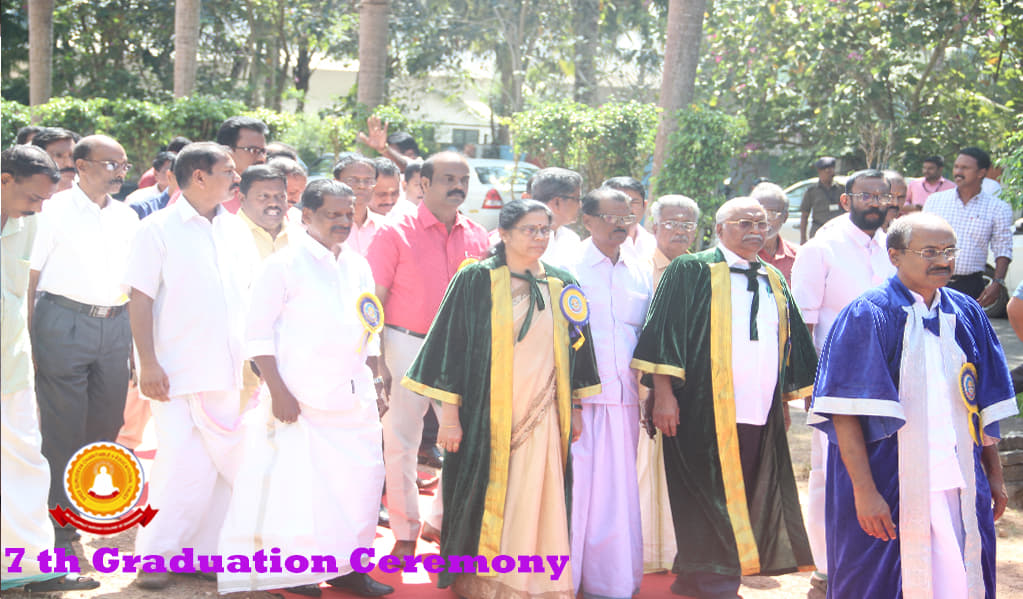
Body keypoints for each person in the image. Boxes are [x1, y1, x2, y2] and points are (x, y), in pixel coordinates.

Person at [807, 212, 1016, 599]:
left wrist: (994, 474)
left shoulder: (966, 313)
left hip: (959, 481)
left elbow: (982, 405)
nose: (943, 260)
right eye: (929, 252)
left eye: (949, 251)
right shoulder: (868, 314)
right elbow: (845, 413)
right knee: (882, 581)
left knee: (959, 580)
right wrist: (865, 492)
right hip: (891, 480)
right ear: (895, 256)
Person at [402, 199, 600, 598]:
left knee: (539, 493)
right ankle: (483, 581)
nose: (539, 237)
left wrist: (576, 407)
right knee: (489, 494)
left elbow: (579, 348)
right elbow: (450, 349)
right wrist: (450, 419)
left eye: (545, 230)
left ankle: (537, 583)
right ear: (505, 233)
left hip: (545, 413)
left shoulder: (562, 282)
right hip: (484, 415)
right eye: (530, 229)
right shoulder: (476, 279)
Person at [632, 197, 818, 599]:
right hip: (700, 406)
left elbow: (789, 342)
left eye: (761, 223)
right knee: (706, 493)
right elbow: (664, 331)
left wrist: (783, 403)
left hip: (758, 408)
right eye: (744, 223)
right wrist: (663, 395)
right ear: (719, 229)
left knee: (743, 489)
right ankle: (718, 583)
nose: (755, 230)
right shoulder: (692, 269)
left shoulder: (772, 277)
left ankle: (695, 576)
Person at [218, 180, 392, 598]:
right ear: (307, 215)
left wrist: (377, 378)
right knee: (299, 490)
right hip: (300, 399)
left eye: (347, 214)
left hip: (354, 397)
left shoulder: (357, 264)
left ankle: (349, 568)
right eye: (332, 214)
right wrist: (279, 392)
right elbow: (256, 335)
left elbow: (369, 328)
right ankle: (296, 571)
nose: (342, 222)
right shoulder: (283, 265)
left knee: (360, 485)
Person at [126, 142, 260, 590]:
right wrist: (147, 363)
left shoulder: (234, 228)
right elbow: (139, 298)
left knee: (219, 468)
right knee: (178, 464)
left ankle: (205, 553)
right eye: (228, 170)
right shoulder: (157, 229)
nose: (237, 178)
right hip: (174, 371)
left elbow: (248, 295)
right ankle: (154, 556)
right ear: (199, 177)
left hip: (228, 369)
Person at [367, 151, 490, 557]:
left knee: (462, 440)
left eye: (463, 179)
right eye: (448, 178)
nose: (458, 186)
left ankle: (440, 522)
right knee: (401, 441)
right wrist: (378, 359)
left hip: (461, 350)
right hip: (405, 345)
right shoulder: (394, 232)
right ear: (424, 183)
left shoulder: (478, 235)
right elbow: (375, 300)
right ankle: (404, 532)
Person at [28, 134, 140, 553]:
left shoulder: (127, 216)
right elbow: (30, 277)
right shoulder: (52, 210)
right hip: (63, 321)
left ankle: (79, 511)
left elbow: (135, 284)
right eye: (110, 164)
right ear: (82, 165)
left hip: (115, 325)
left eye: (123, 165)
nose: (119, 173)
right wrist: (29, 338)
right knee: (63, 427)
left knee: (106, 426)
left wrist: (134, 347)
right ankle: (59, 527)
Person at [789, 169, 897, 597]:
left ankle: (874, 559)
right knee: (828, 473)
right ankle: (826, 568)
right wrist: (811, 385)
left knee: (881, 471)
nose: (875, 203)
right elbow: (803, 322)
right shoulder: (821, 249)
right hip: (834, 384)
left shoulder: (894, 248)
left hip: (889, 383)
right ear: (846, 200)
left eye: (882, 196)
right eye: (866, 196)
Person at [1, 145, 99, 593]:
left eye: (44, 199)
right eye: (33, 197)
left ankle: (29, 567)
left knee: (25, 464)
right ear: (4, 179)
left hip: (11, 366)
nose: (39, 208)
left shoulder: (29, 223)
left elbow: (21, 296)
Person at [567, 187, 651, 599]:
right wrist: (571, 400)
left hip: (625, 399)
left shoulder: (638, 268)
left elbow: (643, 333)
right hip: (581, 400)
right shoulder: (569, 268)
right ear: (587, 220)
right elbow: (562, 338)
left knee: (617, 496)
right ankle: (564, 581)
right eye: (611, 217)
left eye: (627, 217)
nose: (621, 225)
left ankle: (609, 582)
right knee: (578, 492)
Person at [638, 193, 699, 574]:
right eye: (671, 223)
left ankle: (678, 550)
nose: (679, 231)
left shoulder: (702, 270)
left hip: (693, 388)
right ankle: (644, 551)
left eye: (687, 225)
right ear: (653, 225)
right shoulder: (639, 269)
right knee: (643, 468)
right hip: (643, 386)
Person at [924, 147, 1012, 303]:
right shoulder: (935, 201)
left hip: (970, 286)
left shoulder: (997, 208)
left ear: (981, 173)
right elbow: (920, 240)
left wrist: (997, 282)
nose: (958, 172)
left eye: (965, 168)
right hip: (932, 281)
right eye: (956, 167)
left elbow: (1003, 248)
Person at [529, 167, 583, 269]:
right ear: (557, 202)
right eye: (577, 199)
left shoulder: (571, 238)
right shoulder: (523, 238)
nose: (580, 205)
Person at [216, 116, 269, 213]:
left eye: (263, 151)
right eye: (253, 150)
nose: (261, 158)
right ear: (227, 151)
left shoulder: (270, 192)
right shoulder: (207, 192)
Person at [335, 154, 384, 256]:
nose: (361, 186)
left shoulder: (385, 226)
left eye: (368, 181)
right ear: (336, 183)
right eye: (352, 180)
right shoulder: (324, 227)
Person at [751, 182, 799, 283]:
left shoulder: (798, 257)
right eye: (760, 213)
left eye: (771, 214)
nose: (764, 220)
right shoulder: (737, 257)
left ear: (785, 217)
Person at [602, 176, 656, 261]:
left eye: (633, 202)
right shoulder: (593, 248)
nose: (627, 208)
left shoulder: (656, 245)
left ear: (644, 206)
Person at [800, 156, 843, 242]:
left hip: (838, 231)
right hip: (819, 230)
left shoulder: (841, 189)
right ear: (820, 172)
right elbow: (804, 216)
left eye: (831, 171)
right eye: (827, 171)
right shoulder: (812, 191)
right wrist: (803, 238)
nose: (830, 174)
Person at [30, 127, 77, 192]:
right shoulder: (24, 195)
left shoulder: (88, 194)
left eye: (72, 156)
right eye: (59, 156)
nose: (69, 164)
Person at [266, 156, 307, 224]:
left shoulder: (297, 217)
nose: (297, 200)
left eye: (301, 193)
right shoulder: (249, 219)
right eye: (292, 193)